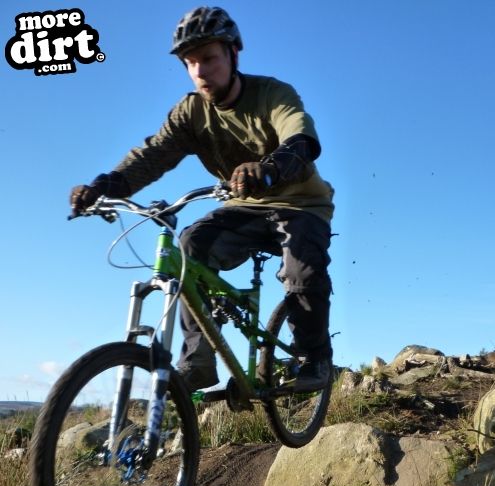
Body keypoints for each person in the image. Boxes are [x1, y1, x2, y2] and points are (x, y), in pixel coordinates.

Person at [70, 6, 334, 393]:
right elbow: (152, 155)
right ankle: (198, 360)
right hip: (243, 208)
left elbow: (300, 139)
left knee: (302, 271)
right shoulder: (190, 112)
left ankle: (313, 358)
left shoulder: (272, 94)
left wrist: (268, 168)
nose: (200, 71)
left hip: (300, 204)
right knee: (191, 244)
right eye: (190, 63)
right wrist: (104, 186)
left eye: (208, 58)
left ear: (233, 54)